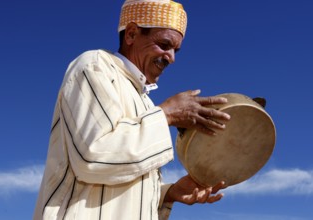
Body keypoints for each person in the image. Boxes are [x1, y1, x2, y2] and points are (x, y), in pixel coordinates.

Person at [34, 0, 231, 219]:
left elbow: (122, 191)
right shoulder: (95, 67)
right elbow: (93, 157)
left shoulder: (146, 103)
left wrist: (169, 193)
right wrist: (167, 114)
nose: (171, 58)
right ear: (131, 34)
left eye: (176, 50)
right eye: (165, 45)